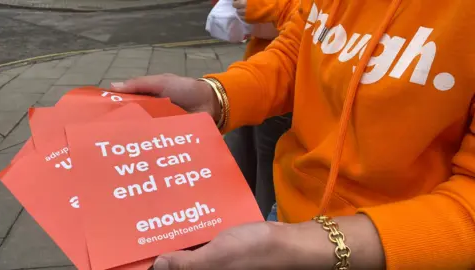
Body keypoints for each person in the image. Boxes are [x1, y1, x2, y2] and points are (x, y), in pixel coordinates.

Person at [111, 0, 475, 269]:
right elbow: (298, 50)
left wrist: (301, 246)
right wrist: (215, 96)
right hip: (283, 220)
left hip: (408, 252)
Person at [223, 0, 297, 218]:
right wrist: (216, 93)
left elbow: (311, 24)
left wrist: (268, 8)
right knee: (236, 165)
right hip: (258, 76)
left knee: (269, 176)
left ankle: (261, 234)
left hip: (287, 94)